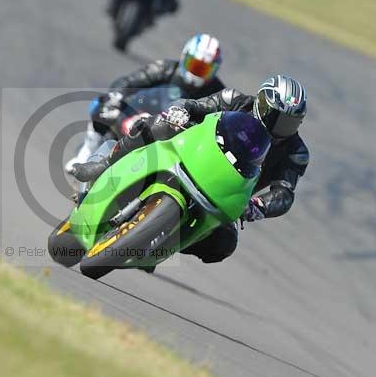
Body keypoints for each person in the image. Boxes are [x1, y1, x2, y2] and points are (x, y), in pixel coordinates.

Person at [70, 75, 310, 264]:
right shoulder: (233, 99)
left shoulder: (295, 152)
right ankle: (103, 165)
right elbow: (194, 105)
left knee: (224, 244)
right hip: (191, 152)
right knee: (156, 125)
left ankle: (166, 236)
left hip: (226, 192)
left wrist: (259, 206)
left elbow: (285, 193)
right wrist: (181, 112)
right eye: (278, 118)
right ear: (262, 104)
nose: (282, 128)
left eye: (289, 123)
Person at [65, 33, 224, 172]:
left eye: (204, 69)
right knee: (102, 105)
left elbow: (225, 120)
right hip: (136, 119)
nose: (197, 73)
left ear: (214, 70)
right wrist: (117, 96)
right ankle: (85, 154)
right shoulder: (164, 68)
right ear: (184, 56)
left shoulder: (217, 90)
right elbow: (126, 82)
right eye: (194, 65)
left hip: (174, 137)